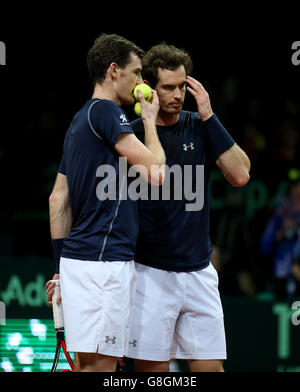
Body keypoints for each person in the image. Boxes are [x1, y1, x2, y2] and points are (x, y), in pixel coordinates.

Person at [45, 34, 166, 372]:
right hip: (105, 263)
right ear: (114, 70)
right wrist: (150, 122)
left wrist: (60, 267)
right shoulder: (108, 112)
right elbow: (157, 173)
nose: (141, 83)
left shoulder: (79, 120)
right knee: (101, 368)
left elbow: (58, 199)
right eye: (137, 72)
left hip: (78, 262)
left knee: (86, 365)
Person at [126, 43, 251, 372]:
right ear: (149, 89)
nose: (178, 94)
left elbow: (240, 174)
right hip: (149, 273)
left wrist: (209, 115)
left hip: (199, 272)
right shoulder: (132, 136)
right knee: (153, 375)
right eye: (168, 87)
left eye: (182, 86)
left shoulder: (200, 125)